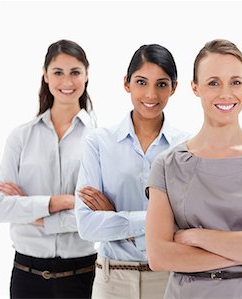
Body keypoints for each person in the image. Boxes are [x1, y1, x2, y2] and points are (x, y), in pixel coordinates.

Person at [145, 39, 242, 299]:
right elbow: (159, 256)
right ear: (195, 87)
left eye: (235, 82)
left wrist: (197, 237)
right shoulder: (168, 164)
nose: (226, 93)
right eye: (213, 82)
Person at [74, 44, 191, 299]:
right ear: (127, 83)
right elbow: (86, 226)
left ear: (174, 87)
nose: (151, 93)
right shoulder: (99, 142)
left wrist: (116, 217)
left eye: (161, 84)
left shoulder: (186, 148)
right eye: (141, 82)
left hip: (170, 279)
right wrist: (158, 223)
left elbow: (191, 225)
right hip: (112, 280)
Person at [0, 39, 96, 298]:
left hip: (82, 275)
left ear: (86, 74)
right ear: (45, 75)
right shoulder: (20, 137)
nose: (67, 81)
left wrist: (32, 212)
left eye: (75, 72)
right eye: (58, 72)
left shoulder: (99, 139)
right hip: (26, 274)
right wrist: (60, 201)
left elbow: (96, 214)